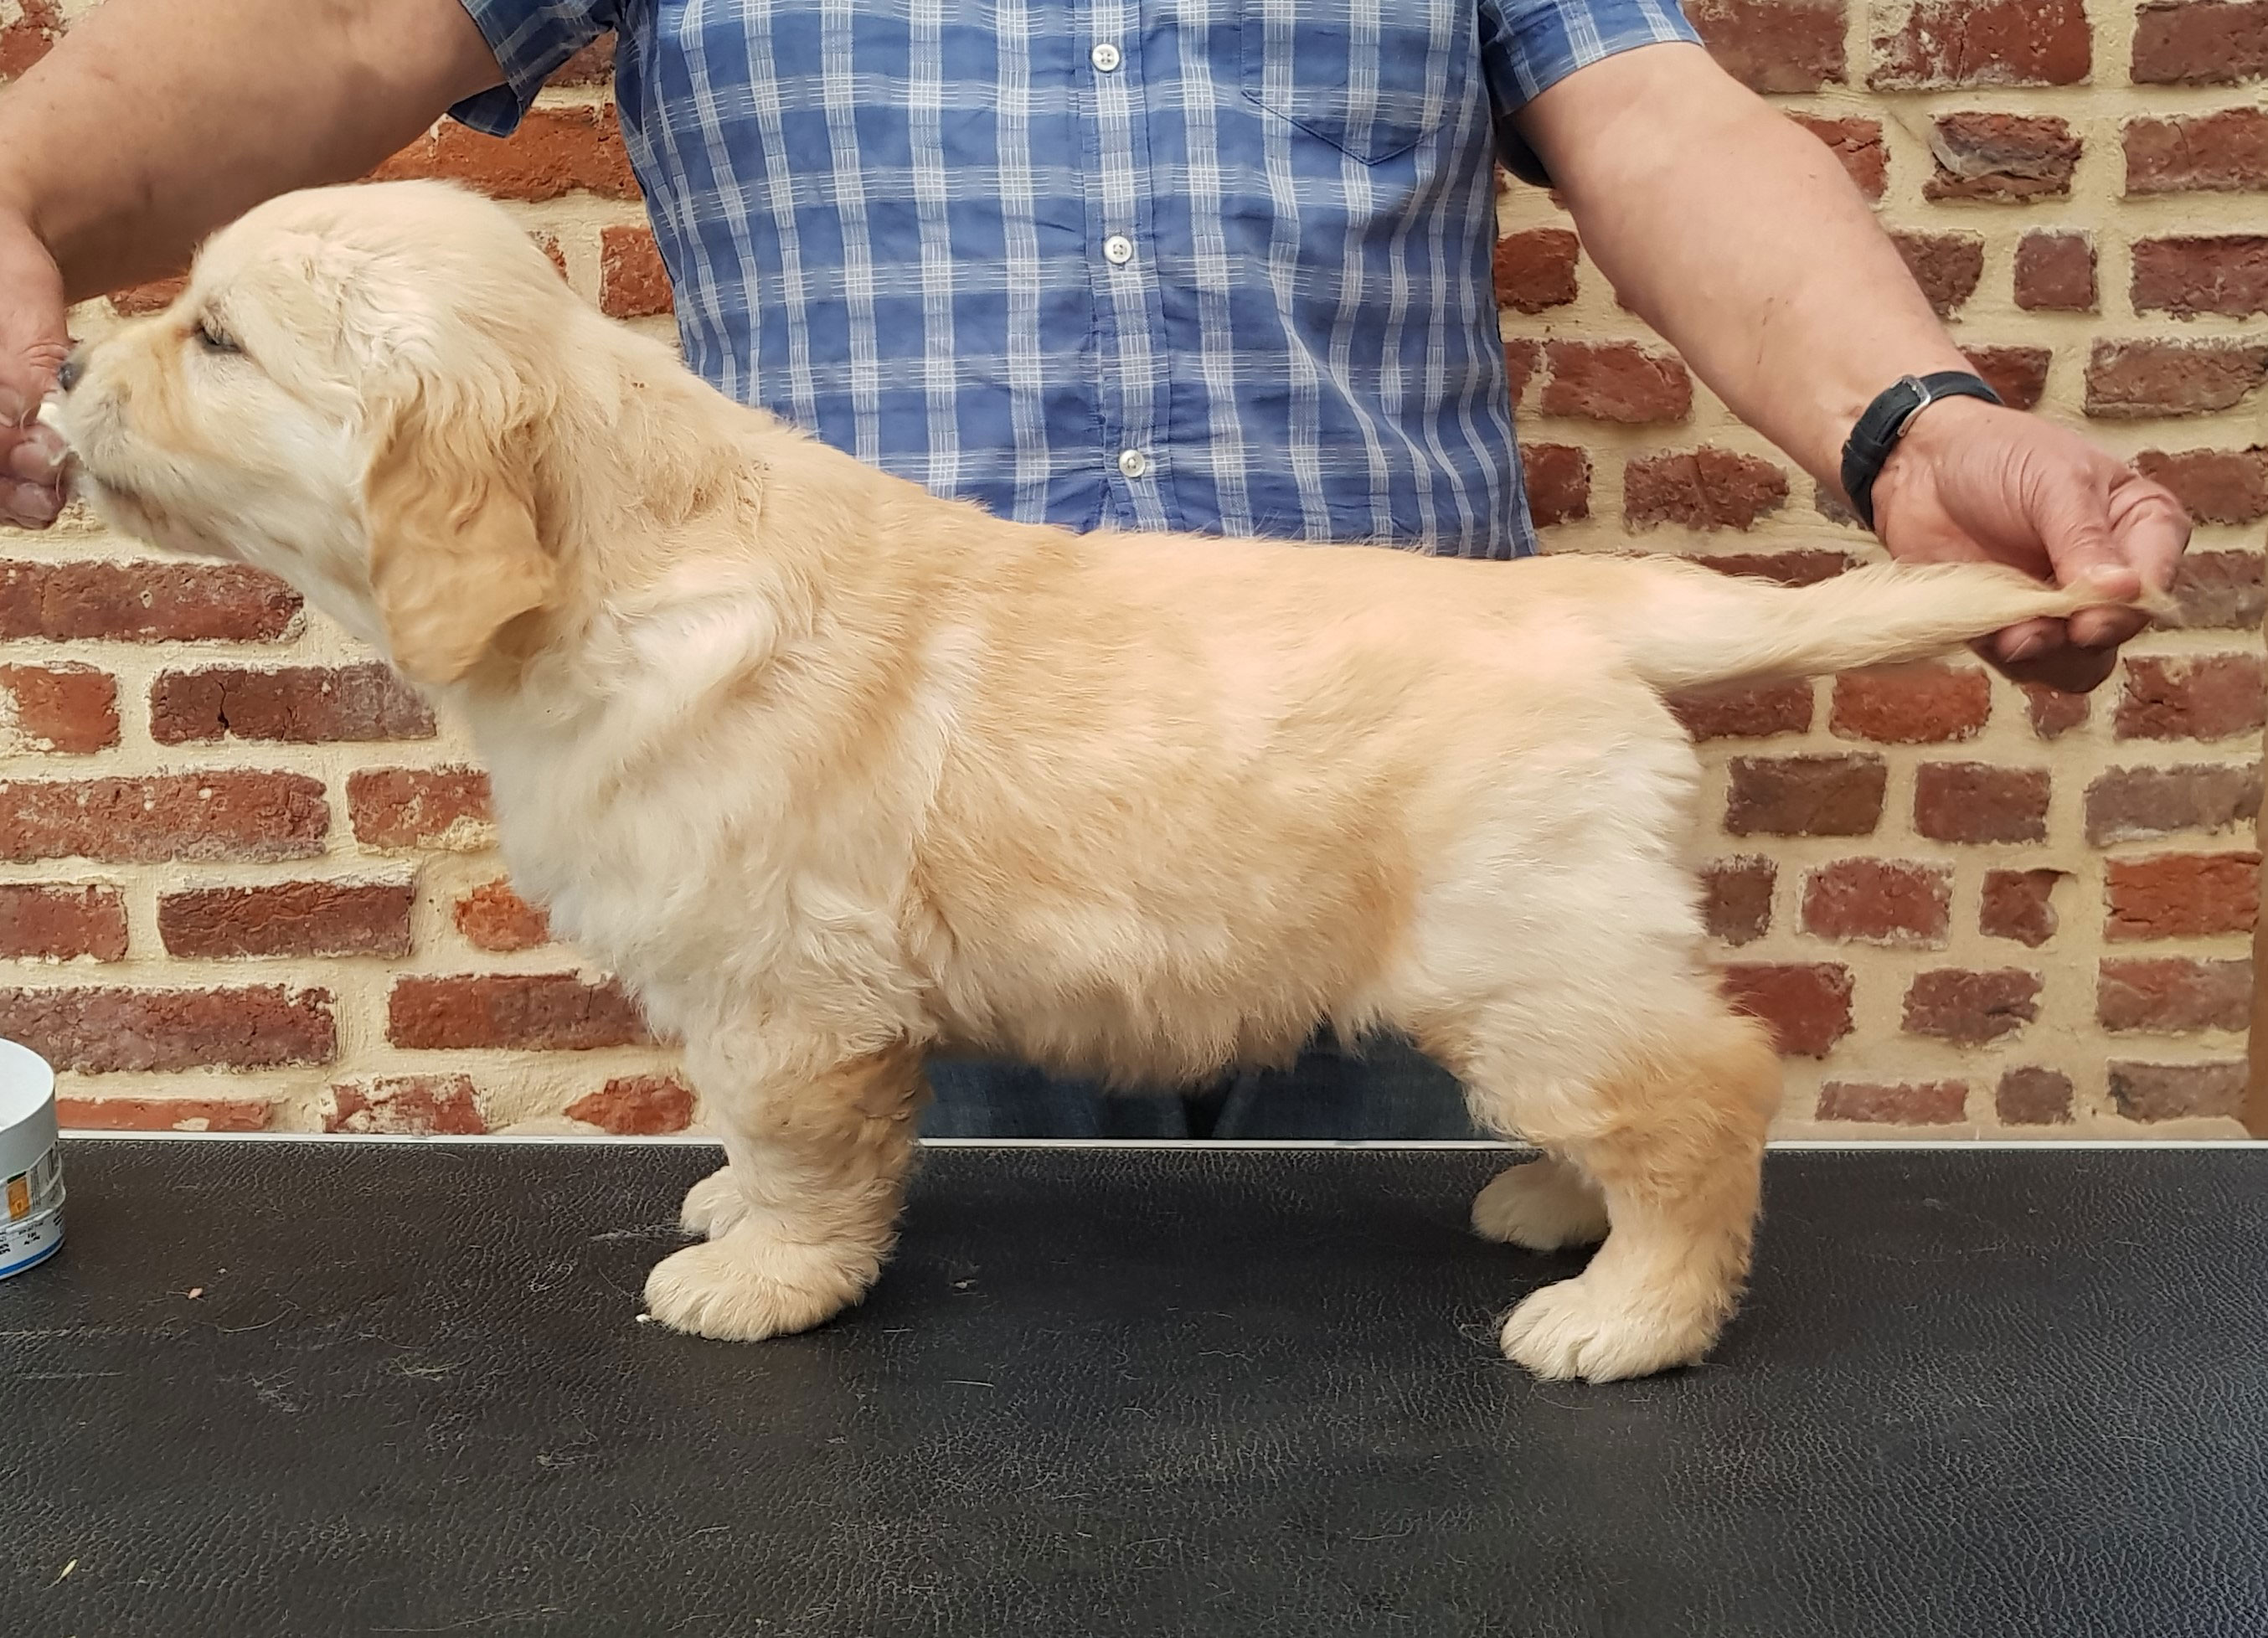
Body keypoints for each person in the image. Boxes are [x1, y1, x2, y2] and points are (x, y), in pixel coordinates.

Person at [0, 1, 2189, 1141]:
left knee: (1469, 1492)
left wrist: (1911, 416)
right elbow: (320, 33)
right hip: (873, 825)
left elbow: (1655, 112)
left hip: (1384, 789)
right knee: (933, 1501)